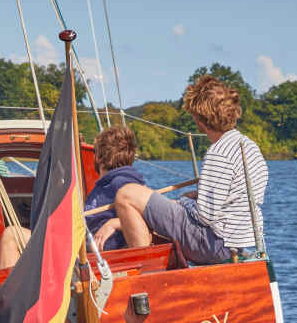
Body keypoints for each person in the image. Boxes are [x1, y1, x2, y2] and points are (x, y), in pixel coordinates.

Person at [110, 75, 268, 265]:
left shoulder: (218, 153)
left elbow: (205, 216)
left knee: (126, 195)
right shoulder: (250, 147)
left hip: (212, 244)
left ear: (200, 119)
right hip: (237, 244)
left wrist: (184, 201)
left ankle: (147, 273)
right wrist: (197, 196)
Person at [0, 125, 145, 268]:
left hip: (87, 256)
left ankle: (6, 292)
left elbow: (145, 220)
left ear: (99, 157)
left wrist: (114, 223)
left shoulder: (123, 182)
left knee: (11, 236)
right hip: (79, 247)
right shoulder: (107, 184)